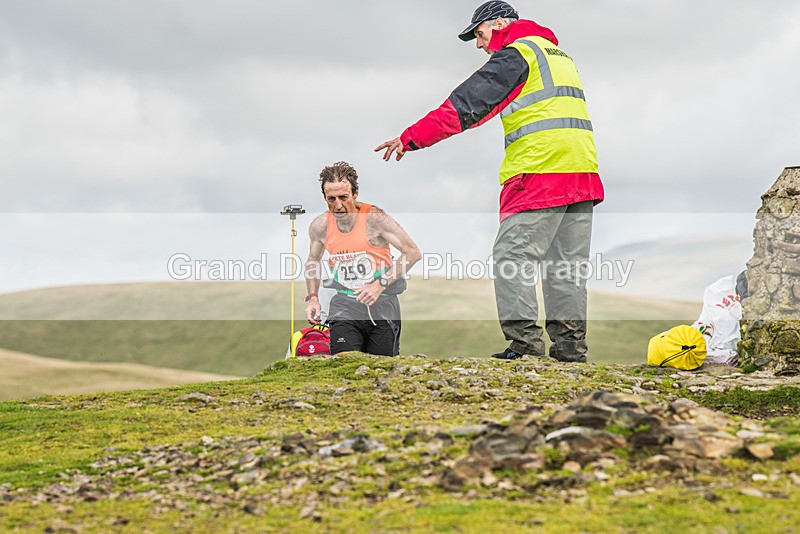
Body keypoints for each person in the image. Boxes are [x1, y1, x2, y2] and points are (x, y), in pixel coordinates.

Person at [375, 1, 604, 363]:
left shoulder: (517, 55)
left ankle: (526, 347)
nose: (480, 44)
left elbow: (465, 106)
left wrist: (411, 138)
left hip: (539, 171)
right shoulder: (558, 55)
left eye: (479, 34)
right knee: (565, 267)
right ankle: (571, 352)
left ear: (499, 23)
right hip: (582, 172)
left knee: (511, 257)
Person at [304, 161, 421, 356]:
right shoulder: (320, 226)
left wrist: (379, 284)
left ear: (355, 193)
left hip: (382, 305)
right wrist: (313, 298)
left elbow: (412, 252)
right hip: (344, 304)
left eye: (343, 197)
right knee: (344, 363)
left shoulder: (375, 219)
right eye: (331, 199)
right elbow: (313, 261)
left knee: (381, 369)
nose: (338, 205)